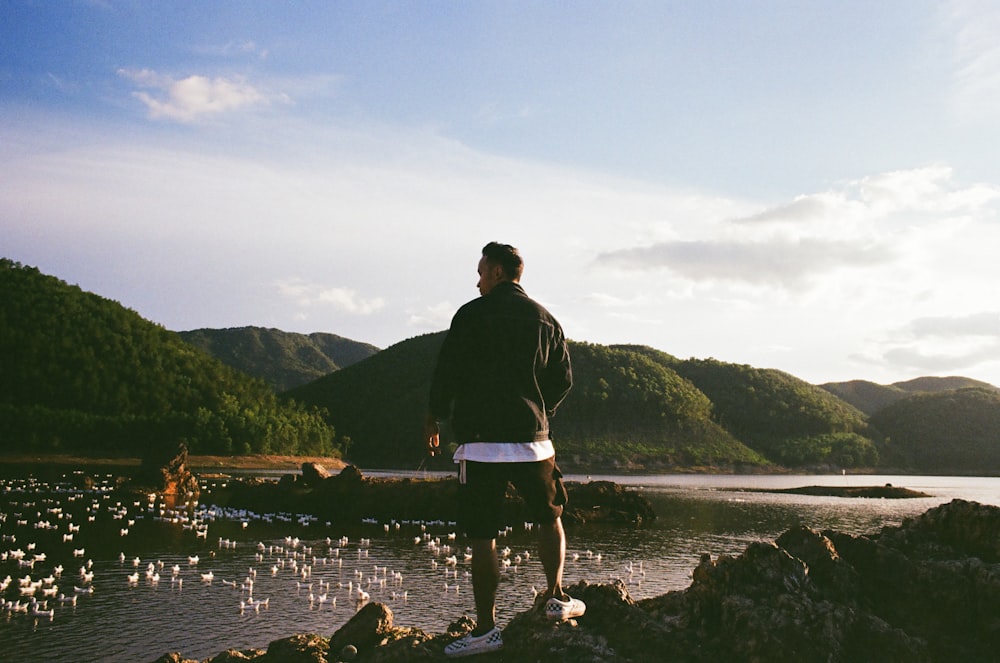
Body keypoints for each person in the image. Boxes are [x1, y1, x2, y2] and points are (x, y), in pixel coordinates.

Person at [425, 241, 585, 658]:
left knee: (482, 535)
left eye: (481, 272)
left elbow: (448, 370)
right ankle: (555, 597)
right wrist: (538, 411)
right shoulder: (546, 320)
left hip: (479, 445)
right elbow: (563, 379)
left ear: (497, 272)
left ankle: (485, 630)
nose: (477, 281)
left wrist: (435, 417)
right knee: (550, 518)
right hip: (533, 443)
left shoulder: (471, 315)